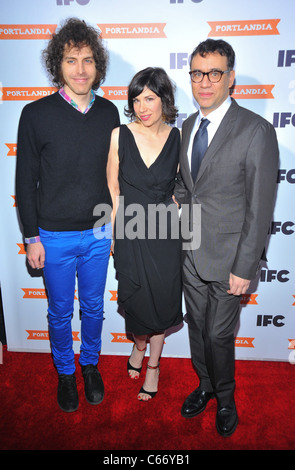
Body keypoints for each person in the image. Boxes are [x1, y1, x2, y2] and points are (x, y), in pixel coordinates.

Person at [174, 39, 279, 436]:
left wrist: (245, 267)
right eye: (198, 73)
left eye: (214, 72)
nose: (205, 81)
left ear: (230, 77)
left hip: (230, 258)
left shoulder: (256, 130)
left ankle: (226, 396)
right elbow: (190, 188)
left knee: (219, 334)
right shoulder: (187, 126)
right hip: (191, 253)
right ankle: (204, 386)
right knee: (198, 329)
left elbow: (260, 208)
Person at [16, 18, 120, 413]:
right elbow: (25, 181)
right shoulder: (35, 114)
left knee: (93, 307)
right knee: (59, 312)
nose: (81, 69)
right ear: (58, 65)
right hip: (53, 236)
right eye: (72, 60)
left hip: (98, 233)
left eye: (88, 60)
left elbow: (116, 176)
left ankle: (89, 365)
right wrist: (31, 238)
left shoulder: (110, 113)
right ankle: (64, 372)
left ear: (98, 66)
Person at [107, 67, 183, 401]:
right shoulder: (119, 134)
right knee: (136, 302)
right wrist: (113, 232)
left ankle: (153, 365)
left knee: (162, 302)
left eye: (149, 98)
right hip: (129, 230)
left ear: (164, 99)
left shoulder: (178, 137)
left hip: (165, 233)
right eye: (136, 99)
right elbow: (112, 187)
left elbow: (184, 185)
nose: (142, 107)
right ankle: (138, 345)